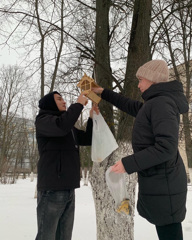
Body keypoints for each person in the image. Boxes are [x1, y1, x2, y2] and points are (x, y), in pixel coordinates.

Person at [92, 60, 189, 240]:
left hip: (165, 183)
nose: (138, 84)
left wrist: (128, 163)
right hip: (162, 181)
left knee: (170, 232)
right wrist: (103, 92)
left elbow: (166, 147)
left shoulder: (161, 104)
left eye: (141, 80)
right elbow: (129, 105)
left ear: (153, 79)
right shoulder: (154, 103)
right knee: (168, 231)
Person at [35, 91, 98, 240]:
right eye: (59, 99)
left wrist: (91, 118)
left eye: (63, 99)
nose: (64, 101)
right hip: (52, 189)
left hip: (69, 188)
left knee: (64, 236)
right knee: (47, 236)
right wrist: (78, 104)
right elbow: (61, 126)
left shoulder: (67, 127)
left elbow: (87, 139)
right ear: (50, 103)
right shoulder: (44, 121)